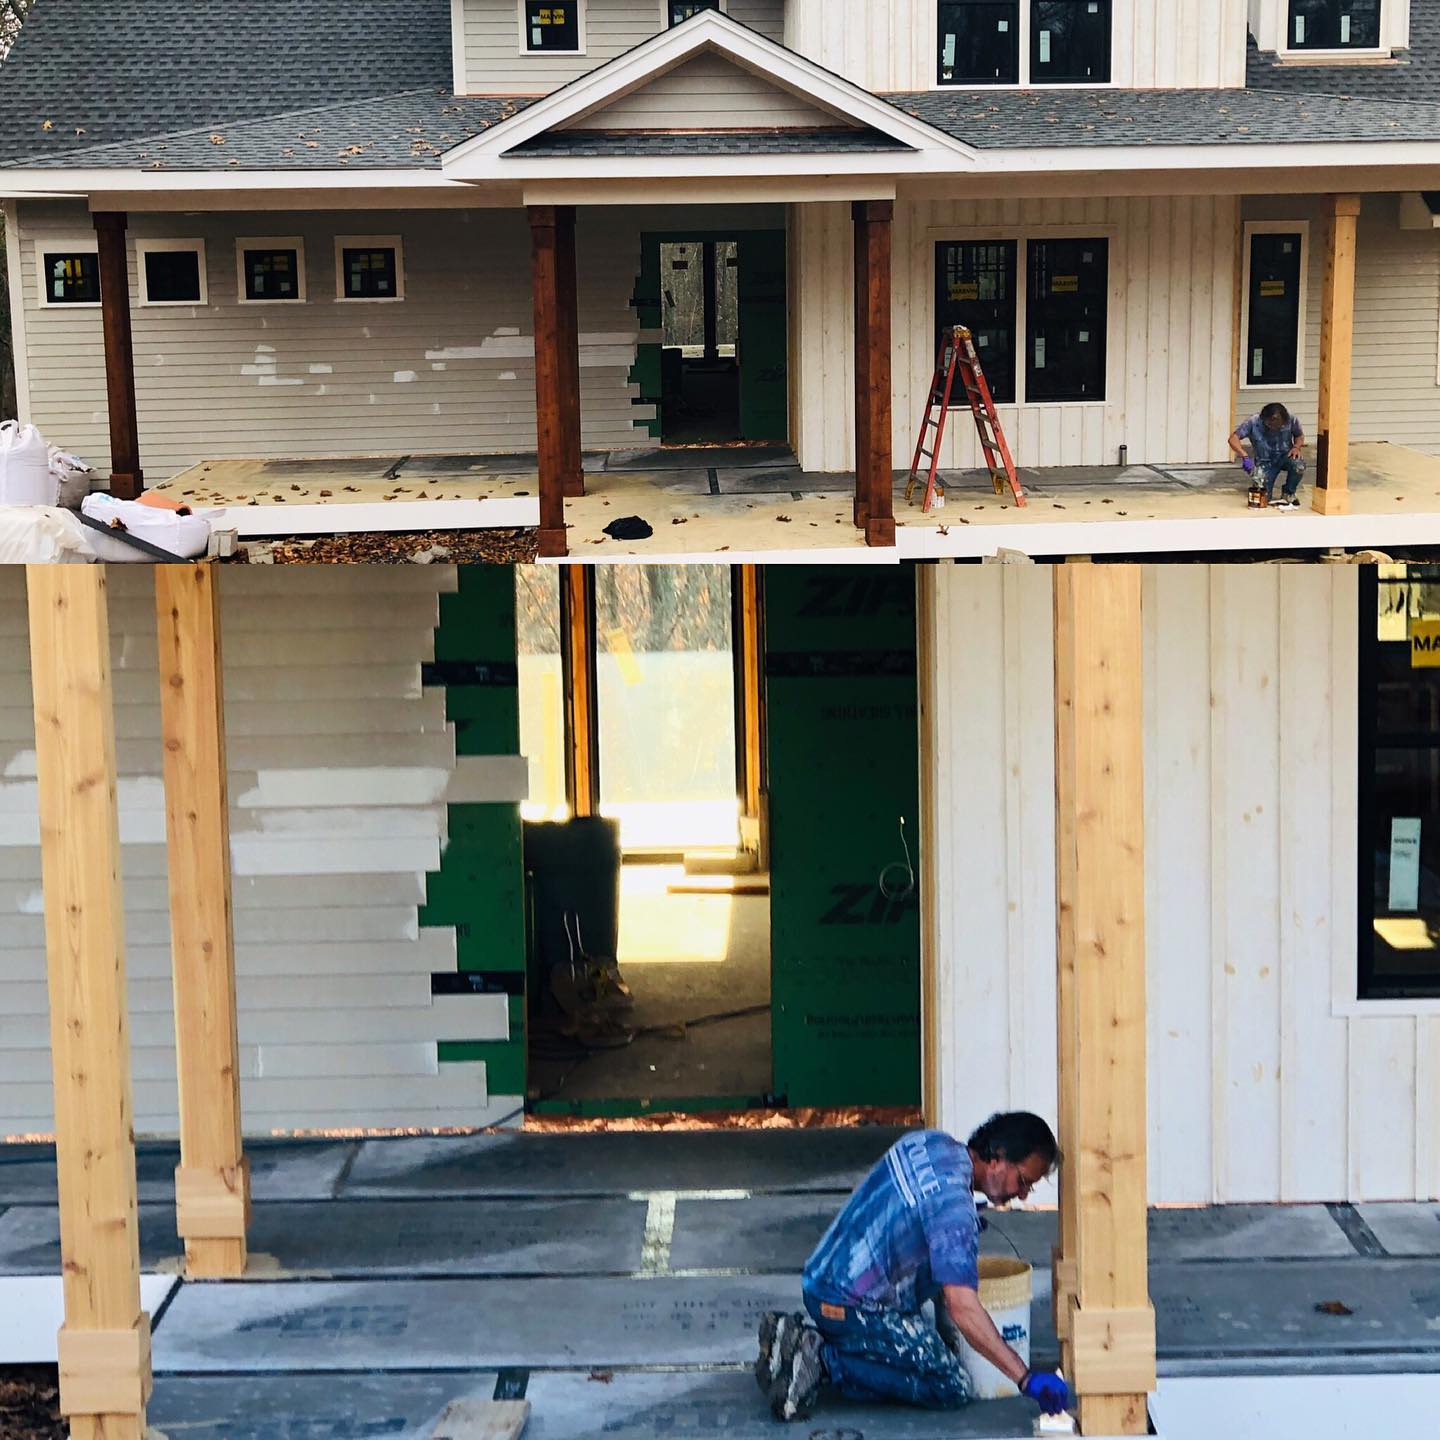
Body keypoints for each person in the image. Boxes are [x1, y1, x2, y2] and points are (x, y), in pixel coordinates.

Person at [755, 1113, 1070, 1423]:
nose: (1023, 1193)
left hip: (820, 1275)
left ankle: (844, 1343)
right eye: (1024, 1180)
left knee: (944, 1267)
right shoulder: (954, 1213)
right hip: (847, 1305)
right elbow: (962, 1307)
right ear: (998, 1158)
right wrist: (1025, 1378)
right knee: (950, 1385)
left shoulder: (930, 1142)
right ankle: (820, 1357)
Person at [1230, 402, 1306, 509]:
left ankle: (1289, 493)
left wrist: (1296, 447)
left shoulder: (1291, 419)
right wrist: (1245, 456)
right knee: (1262, 496)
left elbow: (1299, 435)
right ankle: (1264, 487)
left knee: (1299, 466)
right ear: (1264, 419)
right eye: (1270, 424)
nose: (1274, 428)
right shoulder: (1253, 421)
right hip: (1264, 461)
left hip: (1286, 456)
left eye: (1278, 425)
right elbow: (1233, 439)